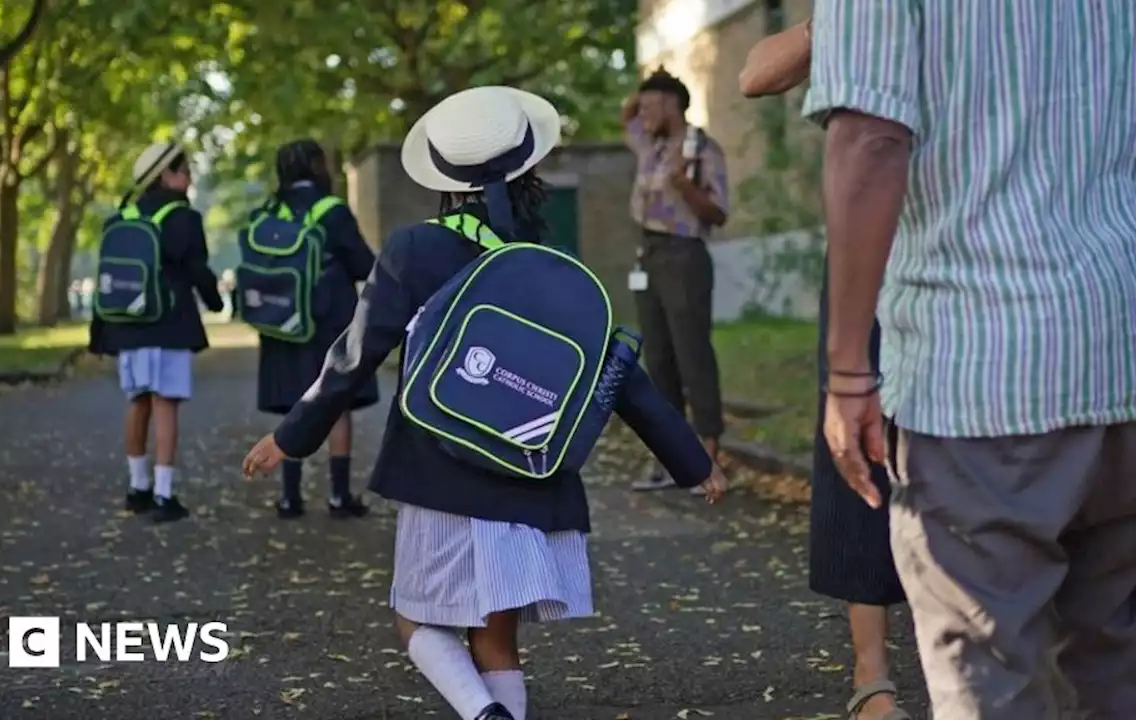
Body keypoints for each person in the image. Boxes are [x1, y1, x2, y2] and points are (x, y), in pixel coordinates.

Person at [241, 86, 728, 720]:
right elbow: (619, 374)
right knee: (496, 636)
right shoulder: (551, 261)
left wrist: (292, 434)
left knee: (416, 619)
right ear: (530, 169)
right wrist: (692, 461)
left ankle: (481, 714)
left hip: (439, 469)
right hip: (529, 471)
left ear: (443, 176)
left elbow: (355, 354)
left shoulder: (414, 249)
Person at [806, 3, 1136, 719]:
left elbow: (868, 138)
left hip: (979, 365)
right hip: (1121, 345)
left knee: (991, 682)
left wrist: (847, 372)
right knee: (1113, 667)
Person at [739, 21, 911, 720]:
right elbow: (755, 73)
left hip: (992, 252)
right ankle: (872, 674)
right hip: (877, 260)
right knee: (860, 468)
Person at [88, 141, 224, 524]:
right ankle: (165, 494)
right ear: (166, 175)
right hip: (168, 325)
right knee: (166, 405)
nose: (189, 176)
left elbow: (108, 276)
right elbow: (197, 270)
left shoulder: (121, 218)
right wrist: (216, 302)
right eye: (184, 170)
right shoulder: (182, 218)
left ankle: (137, 487)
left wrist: (100, 331)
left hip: (128, 327)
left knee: (139, 403)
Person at [251, 139, 378, 519]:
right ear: (315, 167)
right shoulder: (331, 212)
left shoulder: (268, 212)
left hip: (281, 322)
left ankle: (290, 497)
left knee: (295, 401)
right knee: (335, 403)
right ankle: (339, 495)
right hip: (330, 321)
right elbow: (363, 264)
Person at [620, 67, 729, 492]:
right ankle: (671, 456)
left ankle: (708, 456)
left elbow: (719, 213)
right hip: (648, 254)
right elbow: (626, 115)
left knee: (692, 354)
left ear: (672, 104)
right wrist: (653, 87)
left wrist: (685, 185)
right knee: (659, 358)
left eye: (652, 105)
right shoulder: (649, 144)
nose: (641, 113)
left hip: (684, 254)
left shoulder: (703, 149)